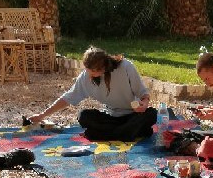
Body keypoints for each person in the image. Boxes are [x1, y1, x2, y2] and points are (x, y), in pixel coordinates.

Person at [27, 47, 156, 141]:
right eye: (87, 71)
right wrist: (42, 115)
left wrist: (143, 105)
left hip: (132, 116)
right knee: (84, 116)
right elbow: (68, 97)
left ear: (103, 68)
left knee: (151, 114)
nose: (89, 75)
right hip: (111, 118)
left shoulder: (126, 67)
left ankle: (108, 134)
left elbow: (144, 94)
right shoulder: (86, 77)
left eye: (92, 72)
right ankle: (126, 133)